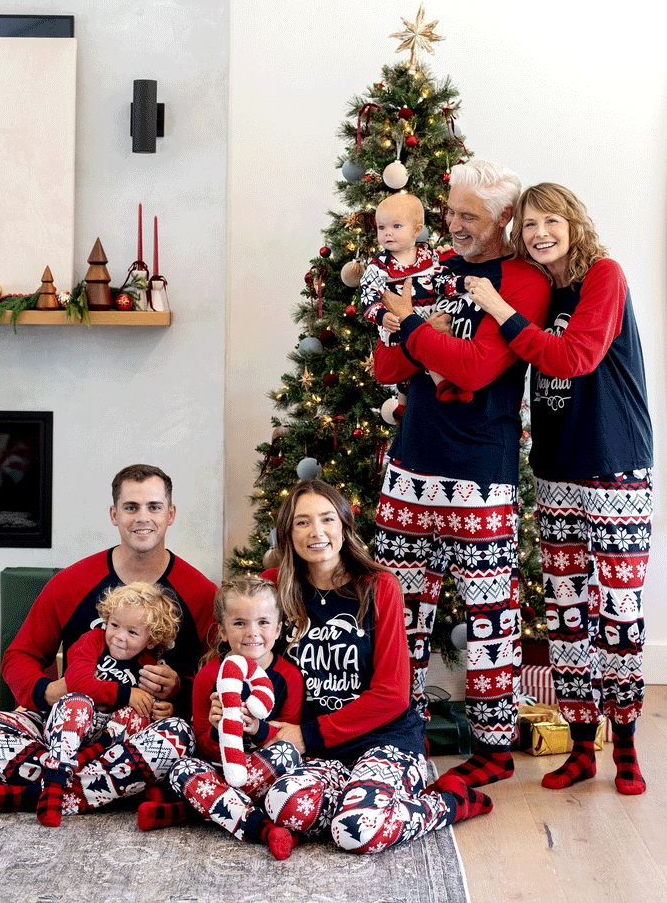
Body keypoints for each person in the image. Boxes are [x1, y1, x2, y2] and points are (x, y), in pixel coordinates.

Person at [464, 182, 653, 795]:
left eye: (551, 219)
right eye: (529, 223)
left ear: (574, 220)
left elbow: (573, 356)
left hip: (614, 463)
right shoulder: (540, 288)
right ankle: (578, 748)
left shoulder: (605, 275)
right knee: (568, 615)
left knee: (617, 615)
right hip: (555, 468)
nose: (539, 232)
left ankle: (625, 746)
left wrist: (499, 309)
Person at [375, 158, 551, 791]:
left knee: (490, 618)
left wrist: (416, 326)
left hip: (479, 469)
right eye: (449, 211)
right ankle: (400, 734)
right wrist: (422, 336)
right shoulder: (434, 267)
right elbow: (385, 367)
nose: (452, 224)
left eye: (467, 215)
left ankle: (496, 750)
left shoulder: (523, 283)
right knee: (399, 610)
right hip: (410, 465)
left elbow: (477, 370)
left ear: (504, 218)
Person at [0, 463, 217, 817]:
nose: (143, 518)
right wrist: (48, 692)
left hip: (139, 735)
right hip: (64, 728)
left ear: (170, 514)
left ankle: (38, 793)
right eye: (131, 507)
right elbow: (19, 656)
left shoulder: (200, 593)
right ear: (114, 514)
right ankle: (104, 789)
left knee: (179, 739)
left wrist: (181, 689)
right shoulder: (72, 582)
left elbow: (224, 674)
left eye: (154, 507)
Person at [256, 480, 492, 855]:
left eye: (327, 519)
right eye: (302, 522)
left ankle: (450, 801)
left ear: (345, 525)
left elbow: (391, 696)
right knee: (282, 805)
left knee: (355, 832)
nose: (316, 532)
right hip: (319, 750)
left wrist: (307, 736)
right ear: (287, 533)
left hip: (384, 738)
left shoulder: (378, 586)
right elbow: (246, 659)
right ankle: (359, 801)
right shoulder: (271, 588)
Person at [138, 577, 305, 859]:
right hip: (218, 768)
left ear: (278, 629)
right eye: (240, 623)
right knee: (182, 770)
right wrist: (217, 730)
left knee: (287, 756)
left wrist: (255, 728)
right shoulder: (208, 677)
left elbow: (289, 739)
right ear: (223, 631)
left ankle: (191, 809)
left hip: (264, 771)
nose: (253, 633)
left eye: (263, 622)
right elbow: (201, 745)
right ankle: (261, 827)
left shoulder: (289, 677)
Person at [36, 580, 182, 827]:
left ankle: (83, 766)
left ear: (151, 640)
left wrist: (162, 709)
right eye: (114, 625)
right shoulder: (92, 641)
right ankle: (54, 779)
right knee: (78, 702)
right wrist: (127, 694)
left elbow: (149, 702)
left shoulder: (148, 663)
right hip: (74, 727)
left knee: (140, 714)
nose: (119, 637)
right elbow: (78, 682)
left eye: (132, 632)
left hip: (110, 742)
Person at [360, 192, 469, 409]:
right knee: (420, 349)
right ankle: (405, 402)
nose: (387, 233)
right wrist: (383, 315)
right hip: (397, 325)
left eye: (396, 226)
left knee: (433, 346)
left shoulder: (428, 257)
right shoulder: (380, 264)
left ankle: (445, 386)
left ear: (417, 230)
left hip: (427, 318)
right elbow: (368, 294)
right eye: (382, 228)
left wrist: (460, 285)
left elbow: (441, 279)